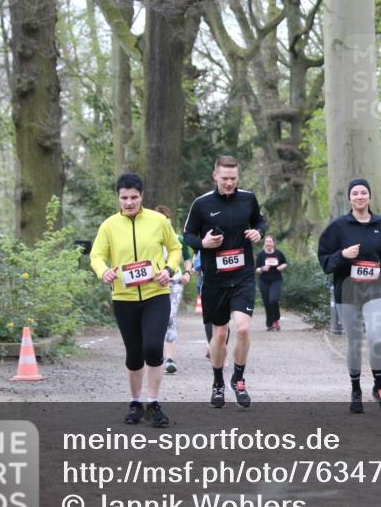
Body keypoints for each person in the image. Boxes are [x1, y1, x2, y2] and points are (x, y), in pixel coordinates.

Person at [90, 173, 180, 427]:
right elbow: (96, 255)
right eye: (124, 198)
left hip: (156, 294)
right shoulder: (109, 225)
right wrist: (103, 271)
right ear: (118, 197)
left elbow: (175, 248)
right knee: (134, 354)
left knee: (153, 348)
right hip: (124, 297)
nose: (129, 202)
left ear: (142, 196)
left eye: (134, 197)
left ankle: (153, 403)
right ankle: (135, 402)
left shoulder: (158, 220)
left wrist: (169, 270)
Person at [183, 155, 265, 409]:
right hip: (215, 279)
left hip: (242, 276)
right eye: (225, 178)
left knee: (241, 328)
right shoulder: (202, 204)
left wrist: (258, 231)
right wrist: (203, 244)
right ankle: (218, 382)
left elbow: (260, 220)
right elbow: (187, 235)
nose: (229, 183)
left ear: (238, 177)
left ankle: (238, 380)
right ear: (215, 176)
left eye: (233, 178)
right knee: (220, 334)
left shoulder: (248, 199)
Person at [318, 178, 381, 414]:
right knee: (354, 342)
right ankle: (355, 390)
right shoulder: (338, 227)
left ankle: (379, 388)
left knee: (375, 339)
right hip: (348, 291)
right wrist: (342, 254)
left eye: (364, 192)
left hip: (375, 290)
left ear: (369, 197)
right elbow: (325, 260)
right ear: (350, 198)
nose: (360, 196)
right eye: (355, 193)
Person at [155, 206, 193, 374]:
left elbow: (187, 257)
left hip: (175, 281)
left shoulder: (178, 239)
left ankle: (169, 358)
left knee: (169, 318)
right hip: (154, 283)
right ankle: (154, 354)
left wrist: (187, 273)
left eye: (166, 220)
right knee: (155, 318)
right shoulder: (149, 240)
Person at [255, 235, 288, 331]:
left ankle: (276, 319)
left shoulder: (278, 253)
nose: (268, 243)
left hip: (276, 280)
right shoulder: (261, 255)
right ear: (264, 243)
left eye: (270, 241)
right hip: (264, 281)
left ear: (273, 243)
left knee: (273, 300)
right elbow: (256, 269)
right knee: (267, 302)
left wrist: (281, 267)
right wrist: (262, 268)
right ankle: (269, 324)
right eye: (267, 241)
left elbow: (284, 263)